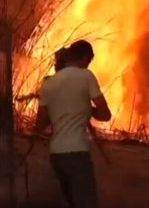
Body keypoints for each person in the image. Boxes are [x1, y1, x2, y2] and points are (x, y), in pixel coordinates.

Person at [35, 40, 112, 208]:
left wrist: (60, 112)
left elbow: (40, 124)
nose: (88, 64)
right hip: (77, 153)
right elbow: (105, 114)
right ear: (85, 58)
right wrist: (89, 111)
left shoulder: (49, 83)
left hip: (56, 155)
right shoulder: (86, 76)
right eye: (89, 61)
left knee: (69, 202)